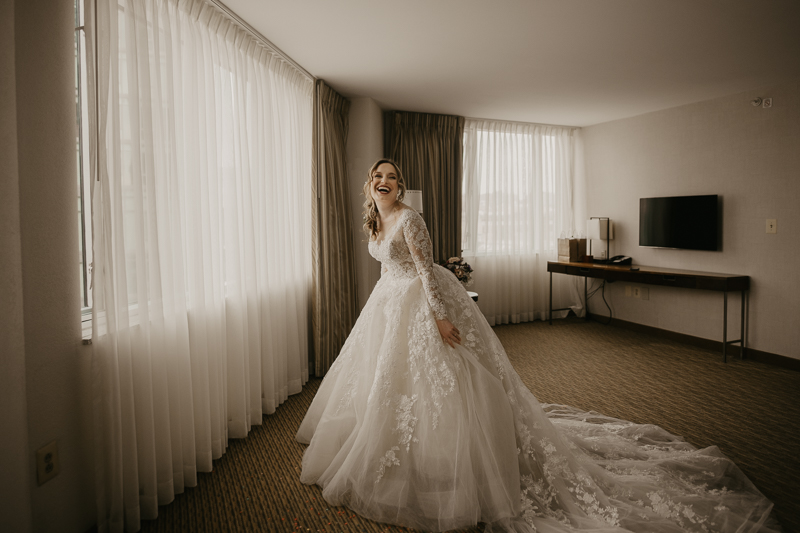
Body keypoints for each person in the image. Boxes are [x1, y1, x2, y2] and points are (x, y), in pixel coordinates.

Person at [296, 159, 779, 533]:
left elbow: (426, 271)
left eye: (392, 177)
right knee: (389, 383)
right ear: (369, 185)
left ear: (400, 187)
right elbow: (389, 268)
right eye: (378, 176)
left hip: (423, 305)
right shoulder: (375, 221)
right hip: (387, 305)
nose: (385, 181)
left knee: (449, 382)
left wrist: (441, 320)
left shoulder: (410, 219)